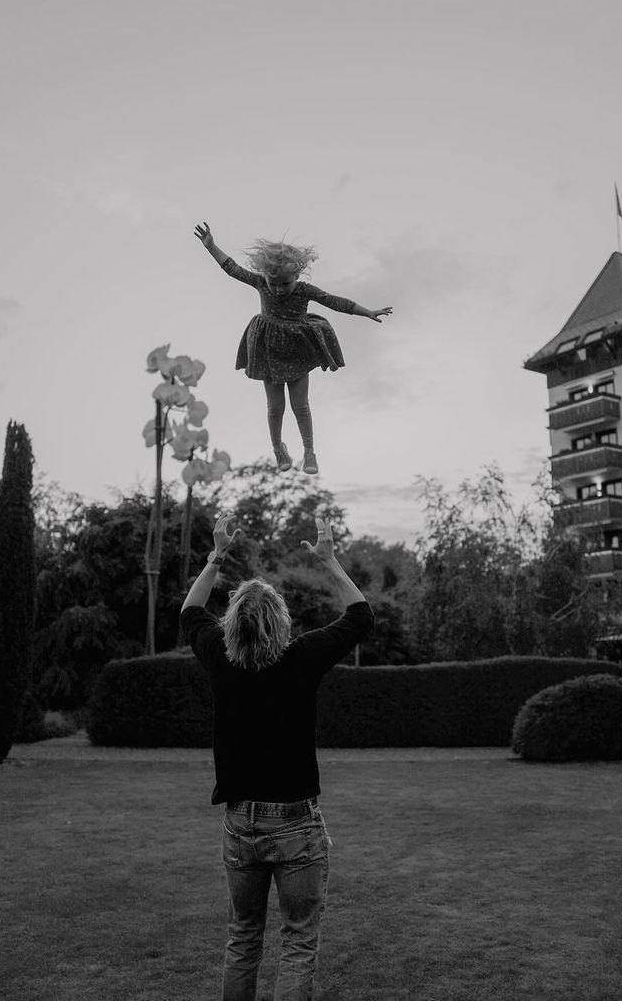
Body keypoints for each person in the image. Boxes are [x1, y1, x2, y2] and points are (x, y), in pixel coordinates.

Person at [180, 511, 374, 1001]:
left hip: (240, 821)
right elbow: (361, 616)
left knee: (243, 939)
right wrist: (329, 561)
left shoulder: (219, 659)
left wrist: (216, 556)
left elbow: (189, 612)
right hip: (295, 824)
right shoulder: (301, 658)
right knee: (299, 943)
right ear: (280, 621)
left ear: (232, 624)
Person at [194, 222, 392, 475]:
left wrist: (368, 312)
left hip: (297, 351)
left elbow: (336, 302)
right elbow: (231, 268)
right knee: (275, 407)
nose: (277, 289)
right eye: (273, 282)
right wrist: (211, 246)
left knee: (301, 405)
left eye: (284, 284)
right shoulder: (260, 283)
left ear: (297, 277)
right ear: (265, 276)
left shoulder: (304, 291)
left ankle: (309, 451)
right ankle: (278, 448)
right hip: (267, 349)